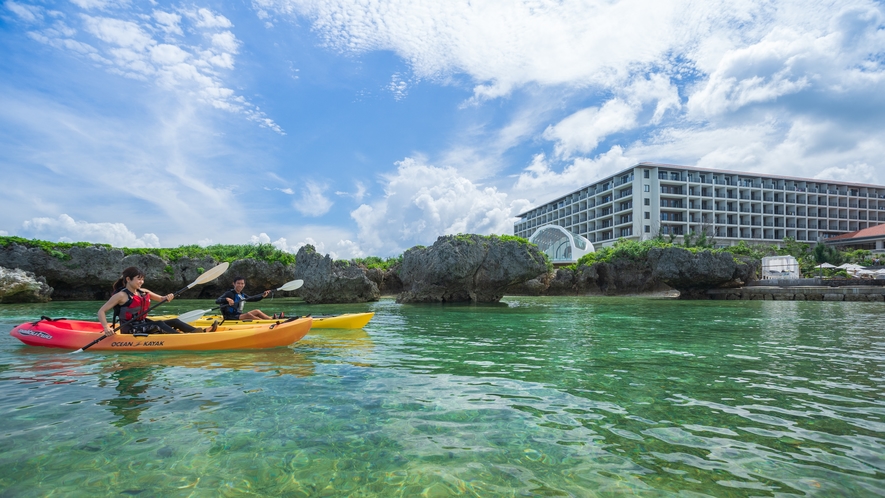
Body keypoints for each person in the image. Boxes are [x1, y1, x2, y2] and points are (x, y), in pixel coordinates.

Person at [98, 267, 218, 336]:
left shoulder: (143, 292)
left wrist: (169, 297)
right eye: (138, 280)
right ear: (128, 279)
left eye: (142, 280)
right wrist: (106, 327)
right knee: (158, 324)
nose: (141, 282)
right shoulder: (121, 295)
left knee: (175, 320)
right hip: (130, 328)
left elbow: (162, 298)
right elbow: (101, 311)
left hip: (143, 324)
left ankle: (199, 332)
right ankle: (181, 338)